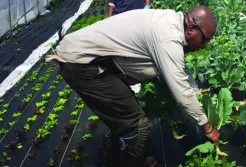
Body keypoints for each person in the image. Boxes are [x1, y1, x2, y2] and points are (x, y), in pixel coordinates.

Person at [46, 5, 220, 167]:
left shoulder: (171, 21)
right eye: (204, 40)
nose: (203, 46)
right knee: (137, 125)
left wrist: (198, 94)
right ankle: (130, 162)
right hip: (82, 64)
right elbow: (181, 91)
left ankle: (115, 157)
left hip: (95, 61)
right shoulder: (168, 38)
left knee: (127, 115)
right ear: (191, 29)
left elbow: (182, 71)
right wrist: (207, 127)